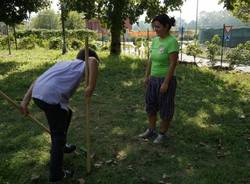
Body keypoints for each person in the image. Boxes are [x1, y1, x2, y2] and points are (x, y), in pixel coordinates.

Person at [20, 48, 99, 182]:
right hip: (51, 97)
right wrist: (91, 86)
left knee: (66, 113)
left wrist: (25, 101)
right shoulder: (84, 63)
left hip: (39, 95)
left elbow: (37, 80)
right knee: (58, 136)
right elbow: (93, 61)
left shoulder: (64, 63)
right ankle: (56, 174)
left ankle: (62, 147)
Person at [138, 14, 179, 144]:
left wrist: (166, 82)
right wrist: (147, 76)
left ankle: (162, 134)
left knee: (166, 108)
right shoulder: (155, 40)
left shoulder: (172, 42)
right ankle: (151, 130)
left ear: (166, 26)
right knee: (151, 105)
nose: (155, 29)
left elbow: (173, 63)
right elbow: (151, 59)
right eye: (154, 26)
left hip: (166, 80)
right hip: (153, 79)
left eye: (158, 27)